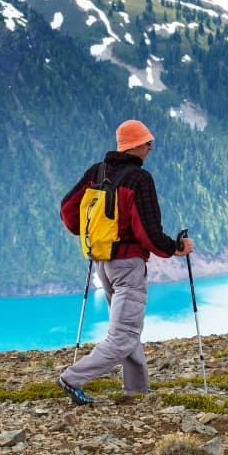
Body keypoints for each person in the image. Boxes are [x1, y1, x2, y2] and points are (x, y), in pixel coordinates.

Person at [56, 119, 193, 405]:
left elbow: (68, 208)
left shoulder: (97, 172)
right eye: (147, 142)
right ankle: (73, 378)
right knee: (125, 333)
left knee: (126, 328)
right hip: (128, 265)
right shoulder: (139, 180)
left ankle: (137, 391)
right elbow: (149, 231)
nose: (151, 147)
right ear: (134, 145)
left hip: (103, 262)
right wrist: (174, 248)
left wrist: (84, 232)